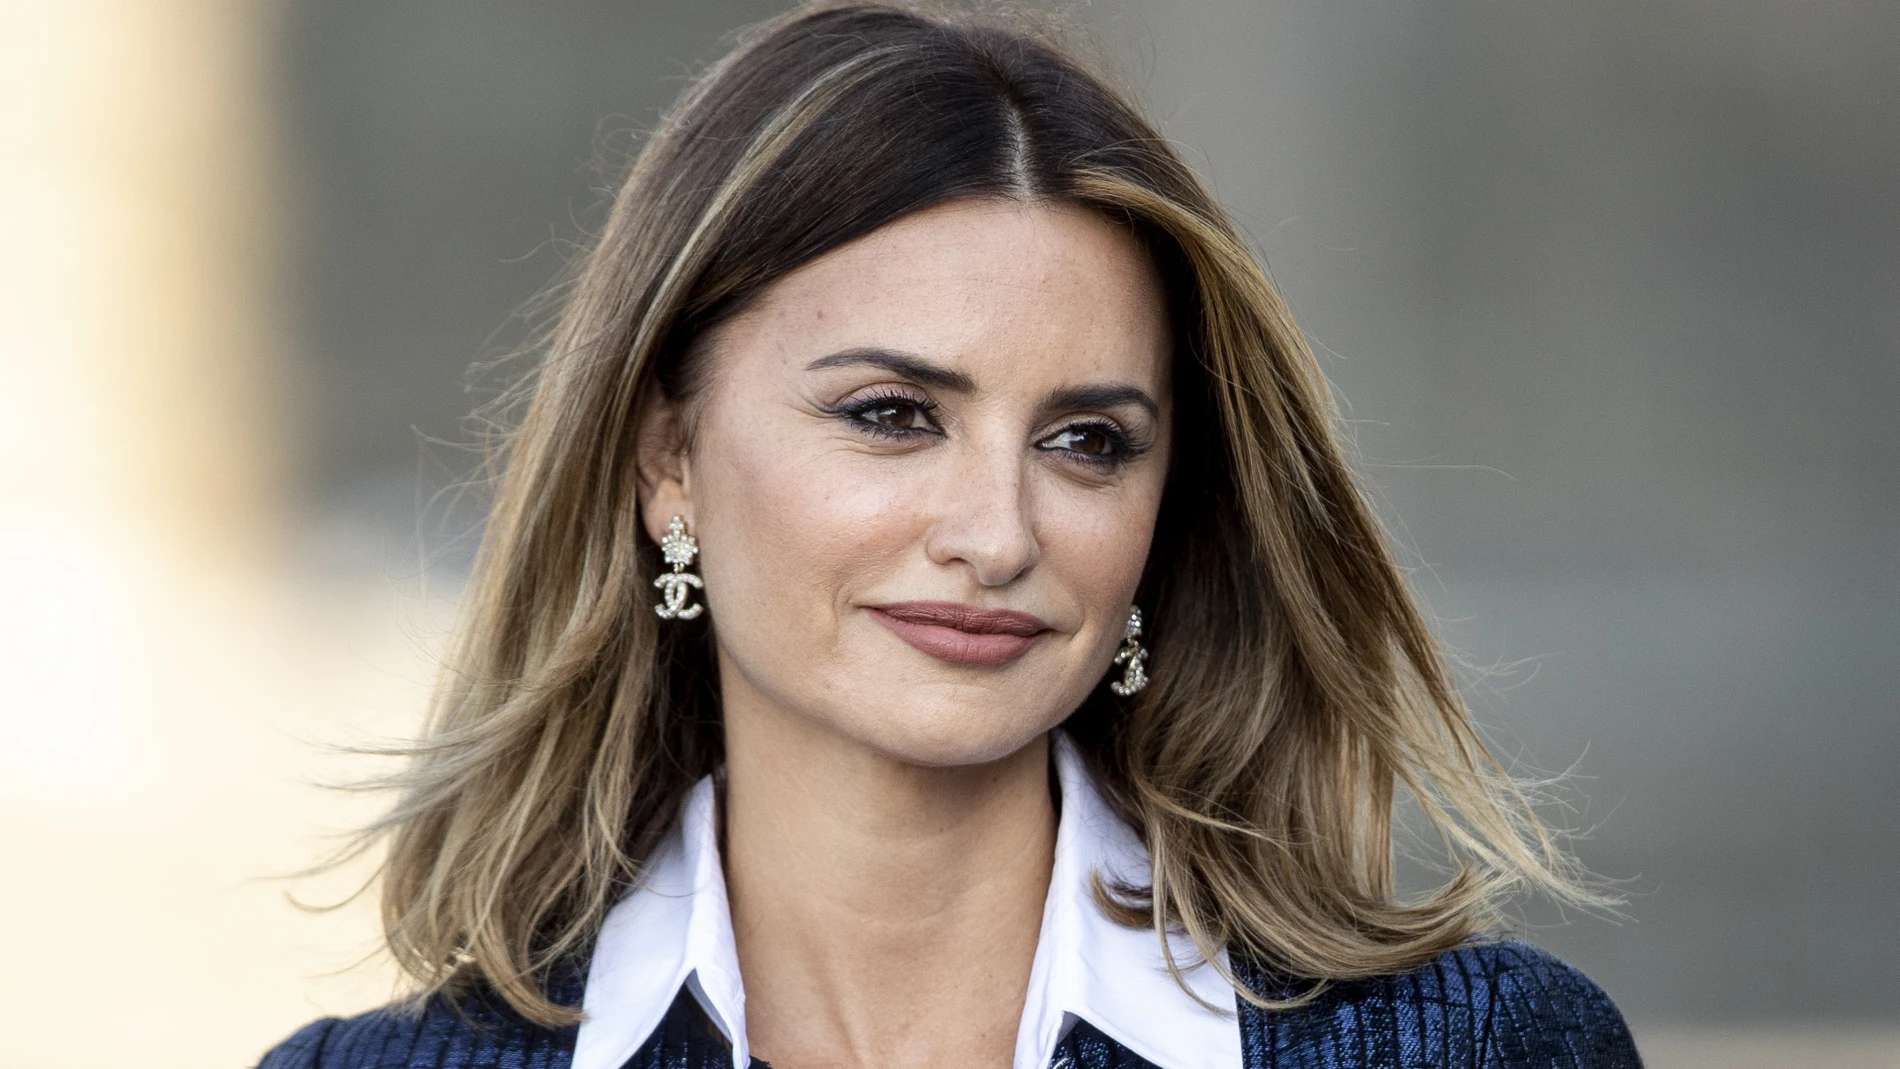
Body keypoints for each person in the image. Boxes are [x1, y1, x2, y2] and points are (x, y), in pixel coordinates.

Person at [259, 3, 1642, 1067]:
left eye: (1086, 442)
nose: (996, 536)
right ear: (666, 461)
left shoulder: (1480, 1050)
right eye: (892, 415)